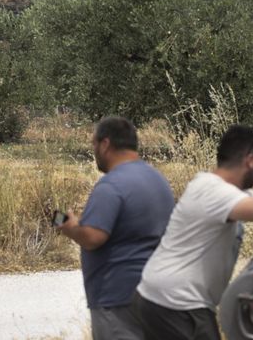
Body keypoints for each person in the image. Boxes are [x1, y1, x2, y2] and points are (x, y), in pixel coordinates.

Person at [133, 125, 253, 340]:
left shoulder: (217, 188)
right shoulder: (214, 191)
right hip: (175, 302)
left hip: (167, 299)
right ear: (250, 161)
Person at [57, 116, 175, 340]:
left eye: (94, 144)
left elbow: (93, 237)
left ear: (105, 144)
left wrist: (71, 227)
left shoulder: (111, 186)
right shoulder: (158, 181)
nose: (93, 150)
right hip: (156, 295)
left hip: (117, 298)